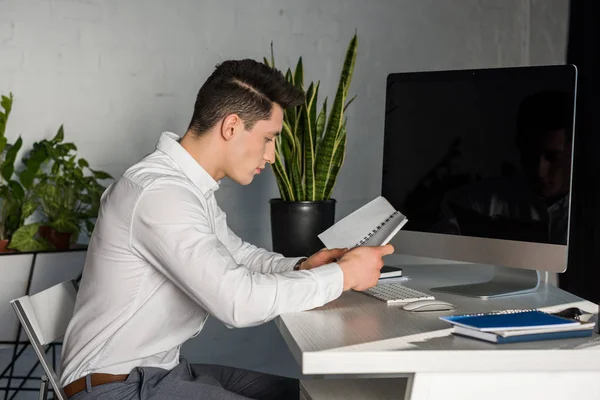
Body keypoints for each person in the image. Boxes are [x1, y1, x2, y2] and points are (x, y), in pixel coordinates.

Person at [59, 59, 393, 400]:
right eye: (268, 138)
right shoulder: (160, 193)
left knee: (315, 397)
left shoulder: (187, 189)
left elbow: (238, 256)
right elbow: (237, 301)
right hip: (118, 389)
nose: (273, 156)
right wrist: (343, 277)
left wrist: (302, 266)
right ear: (231, 126)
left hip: (159, 375)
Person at [432, 90, 573, 245]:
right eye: (529, 154)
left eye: (553, 158)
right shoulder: (484, 201)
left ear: (573, 151)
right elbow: (448, 222)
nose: (540, 171)